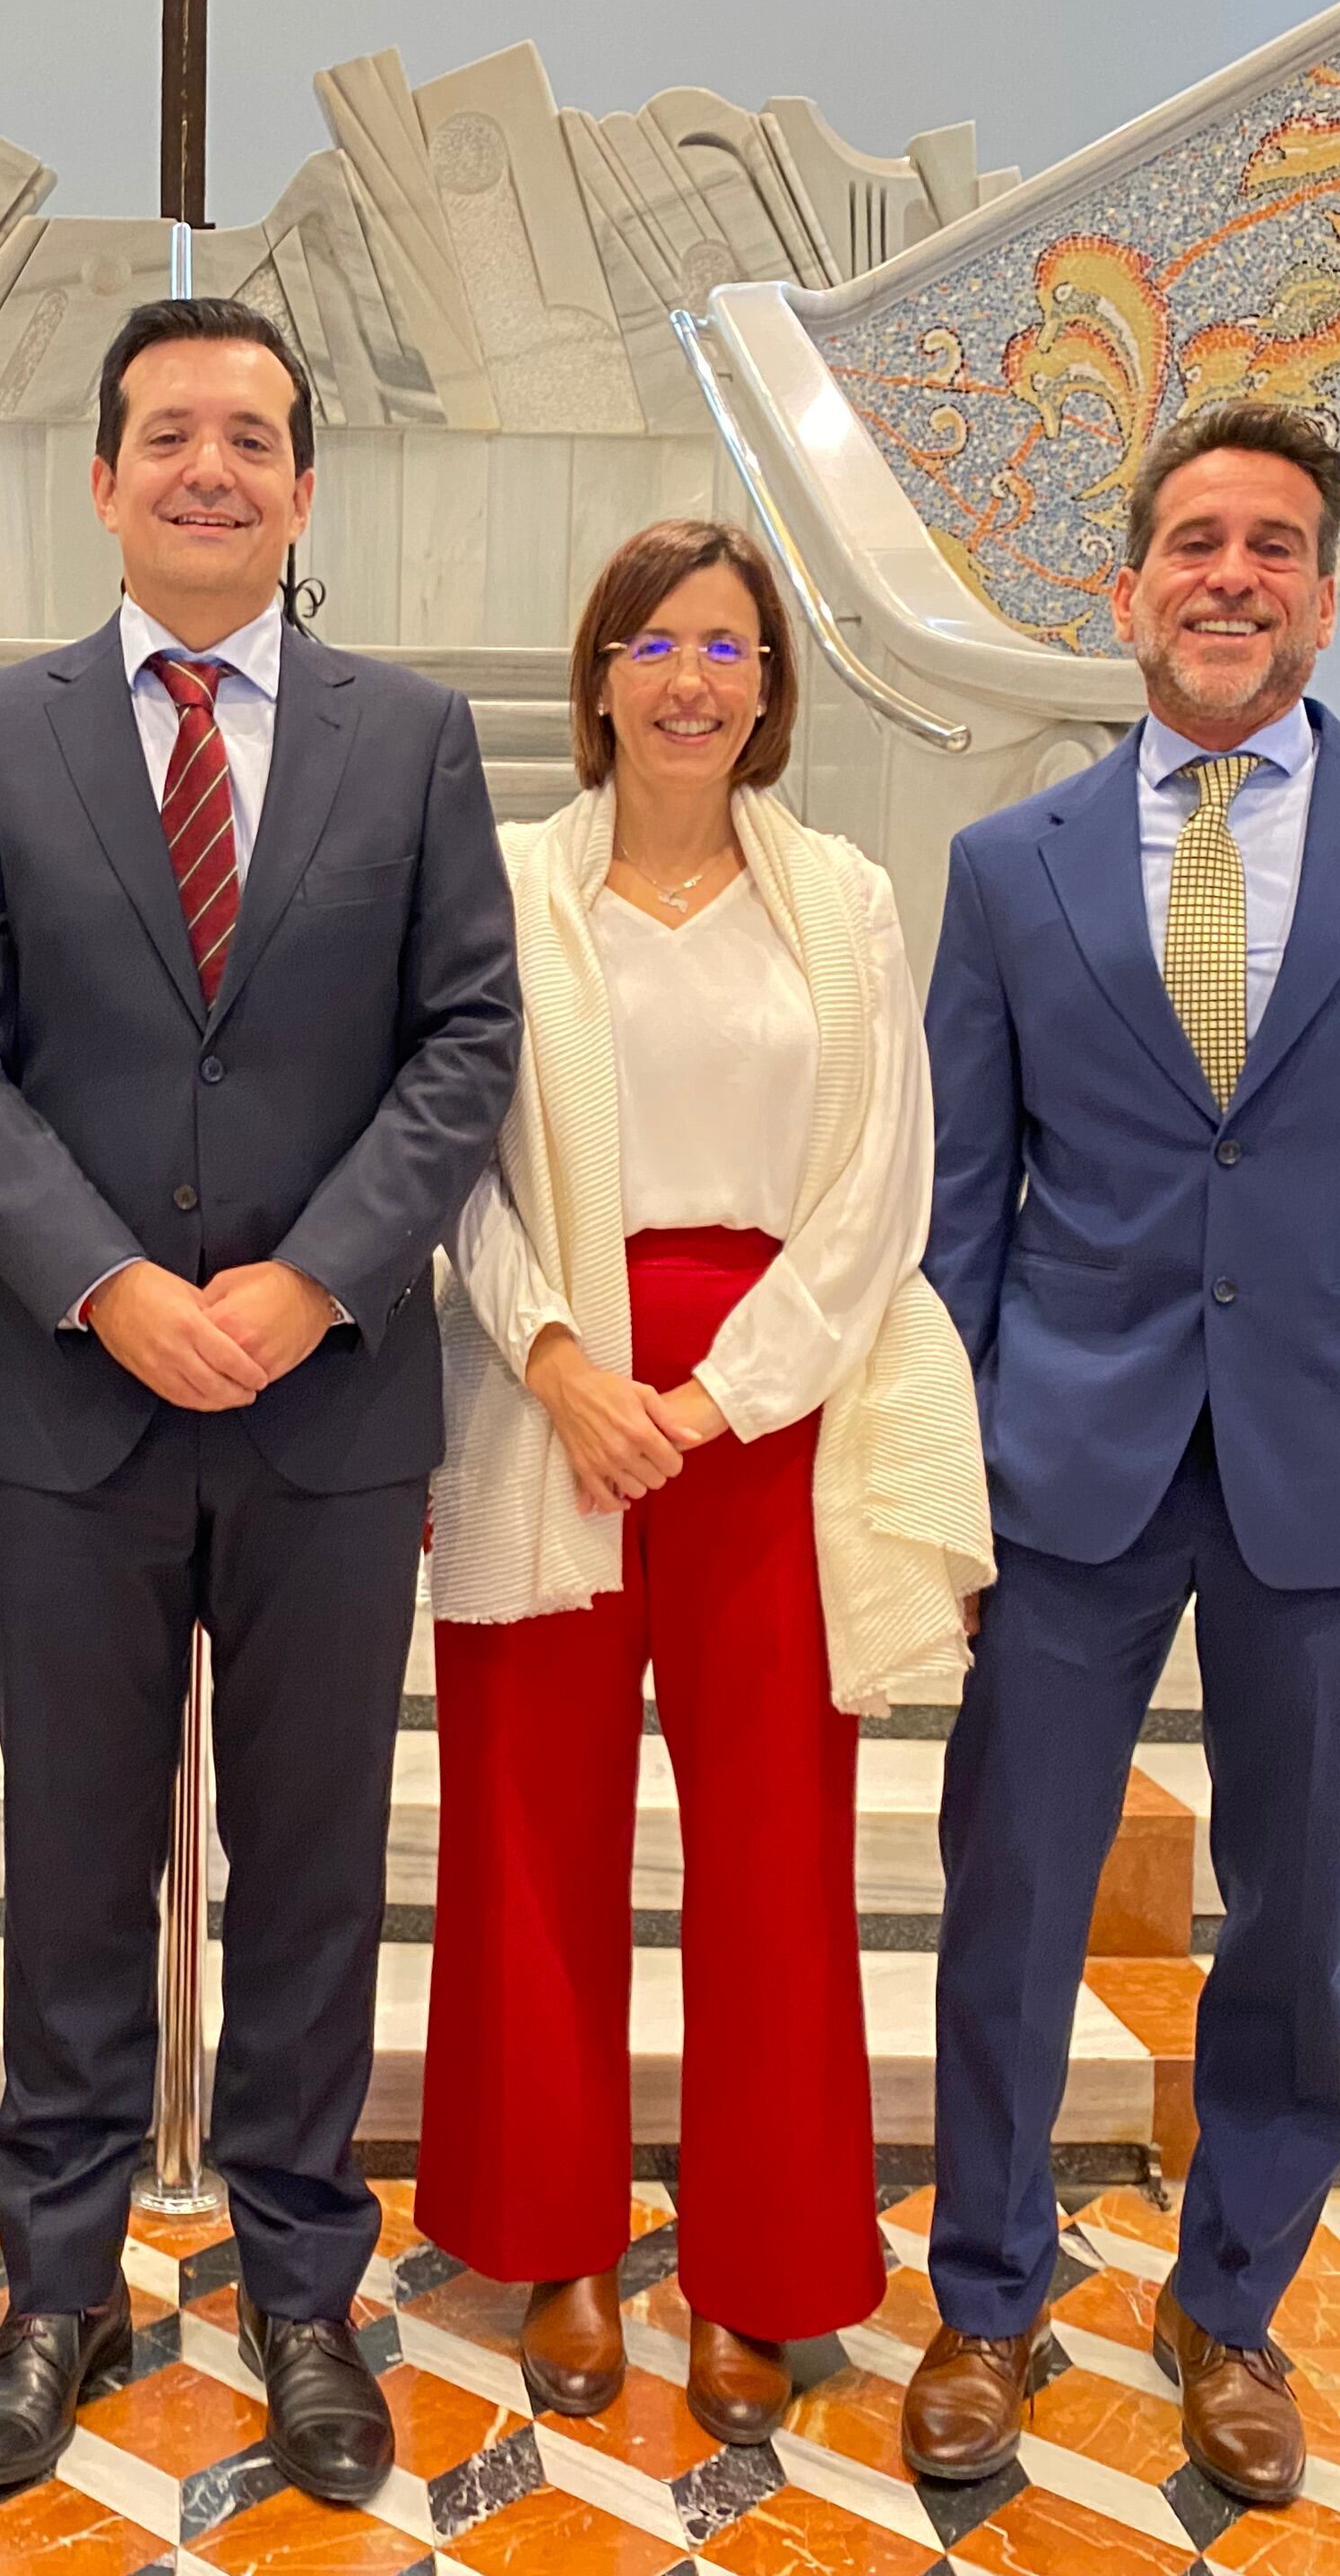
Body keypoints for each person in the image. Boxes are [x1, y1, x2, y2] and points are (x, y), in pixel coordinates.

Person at [903, 404, 1340, 2506]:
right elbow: (957, 1209)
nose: (1231, 576)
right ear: (1127, 593)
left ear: (1325, 594)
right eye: (1195, 541)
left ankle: (1231, 2303)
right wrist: (933, 1486)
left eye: (1273, 545)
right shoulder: (1008, 867)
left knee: (1299, 1923)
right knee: (1011, 1901)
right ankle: (989, 2295)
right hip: (1063, 1471)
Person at [0, 298, 519, 2506]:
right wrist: (106, 1284)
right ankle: (54, 2286)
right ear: (103, 478)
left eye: (251, 437)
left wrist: (312, 1276)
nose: (209, 469)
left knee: (314, 1871)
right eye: (169, 433)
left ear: (305, 486)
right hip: (75, 1402)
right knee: (70, 1867)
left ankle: (298, 2289)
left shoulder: (410, 737)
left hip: (328, 1409)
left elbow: (466, 1041)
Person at [423, 520, 989, 2445]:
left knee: (775, 1862)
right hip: (548, 1402)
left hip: (773, 1415)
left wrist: (725, 1394)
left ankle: (762, 2269)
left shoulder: (843, 898)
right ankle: (557, 2241)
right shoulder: (509, 885)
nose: (688, 678)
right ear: (597, 677)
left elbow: (884, 1183)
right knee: (529, 1838)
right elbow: (455, 1161)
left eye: (726, 647)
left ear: (769, 686)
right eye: (653, 643)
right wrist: (566, 1367)